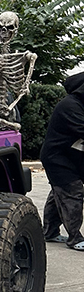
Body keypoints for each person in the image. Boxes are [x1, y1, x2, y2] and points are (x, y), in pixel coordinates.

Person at [40, 72, 84, 251]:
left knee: (59, 192)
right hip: (57, 158)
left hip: (73, 157)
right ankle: (75, 238)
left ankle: (49, 231)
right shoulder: (70, 106)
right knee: (72, 191)